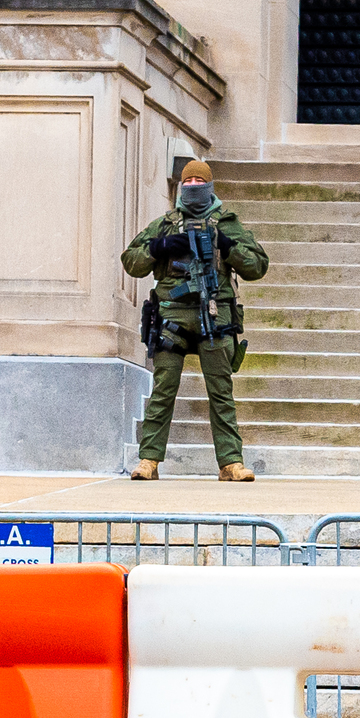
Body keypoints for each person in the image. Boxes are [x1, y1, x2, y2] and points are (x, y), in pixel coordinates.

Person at [120, 159, 269, 482]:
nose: (194, 187)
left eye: (200, 181)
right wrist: (159, 247)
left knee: (221, 392)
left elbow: (257, 265)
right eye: (188, 182)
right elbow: (131, 261)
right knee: (163, 390)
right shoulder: (165, 224)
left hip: (214, 317)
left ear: (210, 186)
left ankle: (230, 462)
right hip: (171, 317)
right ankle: (149, 460)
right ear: (180, 187)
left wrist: (227, 247)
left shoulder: (226, 224)